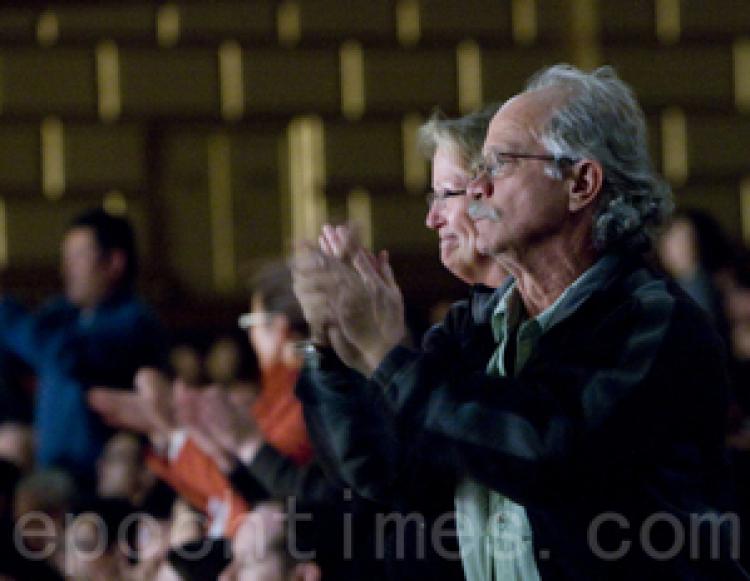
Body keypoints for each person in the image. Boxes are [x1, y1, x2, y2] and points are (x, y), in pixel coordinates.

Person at [293, 64, 747, 579]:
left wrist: (388, 358)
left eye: (500, 164)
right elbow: (388, 472)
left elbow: (547, 447)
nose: (477, 188)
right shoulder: (476, 327)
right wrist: (330, 346)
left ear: (581, 182)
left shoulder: (652, 322)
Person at [0, 208, 167, 486]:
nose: (66, 269)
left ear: (114, 262)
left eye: (77, 257)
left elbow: (64, 357)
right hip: (50, 466)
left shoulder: (134, 321)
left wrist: (6, 312)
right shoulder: (63, 313)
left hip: (101, 469)